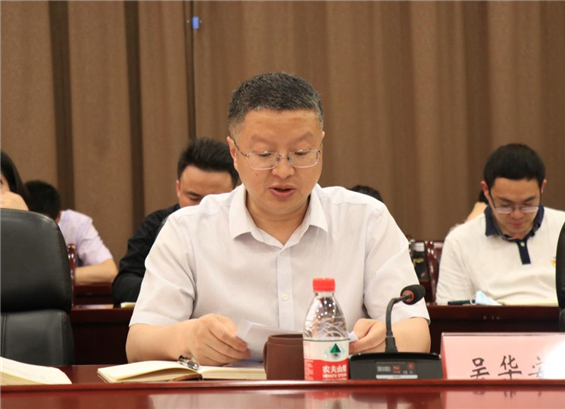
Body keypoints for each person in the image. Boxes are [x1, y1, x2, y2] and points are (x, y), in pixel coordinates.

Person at [126, 72, 430, 365]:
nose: (283, 171)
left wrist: (385, 340)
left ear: (321, 147)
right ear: (234, 153)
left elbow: (415, 332)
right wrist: (186, 338)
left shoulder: (367, 220)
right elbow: (138, 344)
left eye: (301, 152)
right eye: (263, 155)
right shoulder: (187, 230)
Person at [435, 144, 565, 305]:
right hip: (494, 320)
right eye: (505, 205)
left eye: (528, 204)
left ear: (542, 188)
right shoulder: (459, 240)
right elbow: (452, 310)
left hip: (561, 319)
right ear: (486, 190)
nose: (517, 215)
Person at [112, 137, 239, 304]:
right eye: (194, 198)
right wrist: (173, 291)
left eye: (215, 199)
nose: (203, 207)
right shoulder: (156, 225)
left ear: (234, 192)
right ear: (178, 188)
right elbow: (124, 284)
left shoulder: (248, 226)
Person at [25, 180, 118, 284]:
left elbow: (109, 272)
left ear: (58, 218)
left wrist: (53, 276)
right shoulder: (12, 226)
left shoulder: (77, 224)